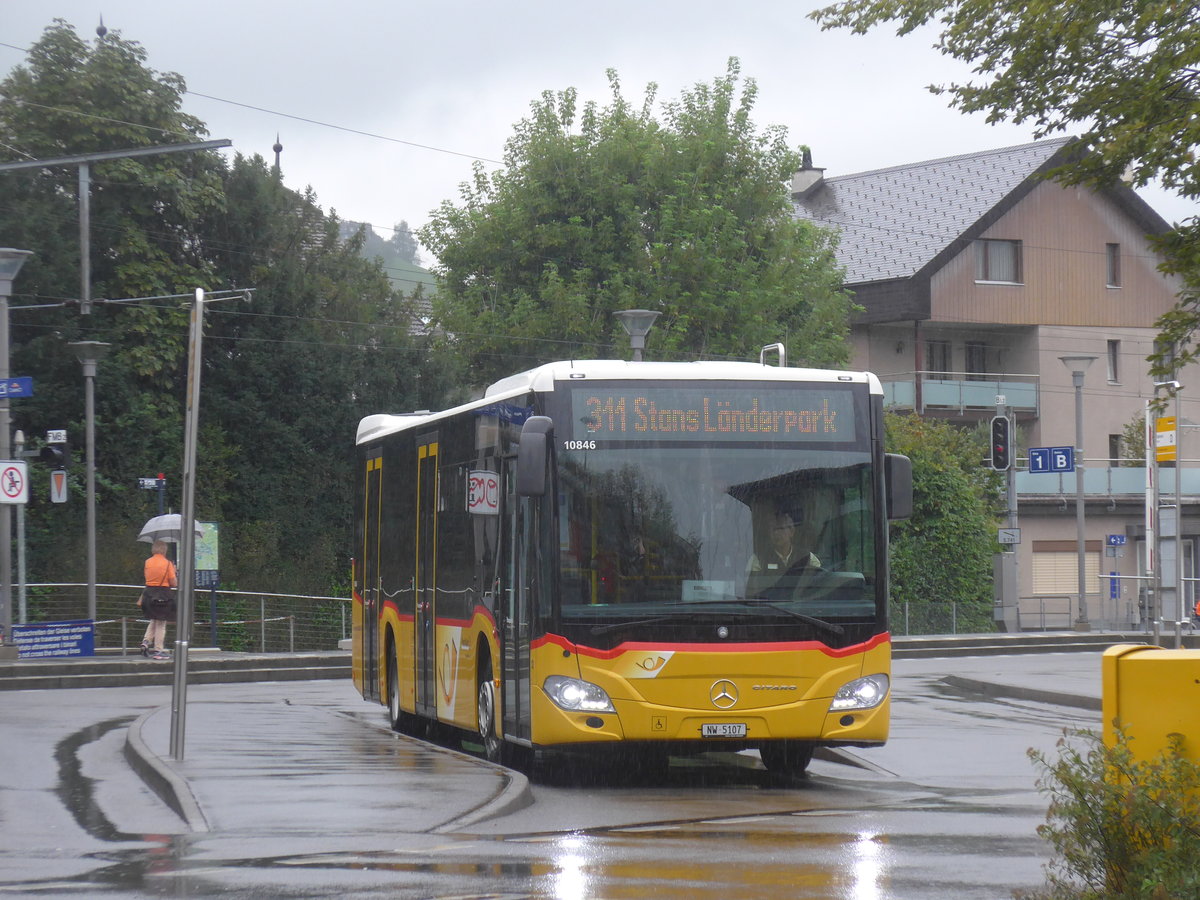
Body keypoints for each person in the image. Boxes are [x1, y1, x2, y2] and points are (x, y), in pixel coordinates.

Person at [745, 509, 821, 597]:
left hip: (799, 604)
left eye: (781, 528)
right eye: (773, 529)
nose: (776, 533)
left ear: (791, 532)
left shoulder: (808, 558)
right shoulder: (758, 559)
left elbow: (818, 588)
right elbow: (751, 592)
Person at [139, 539, 177, 660]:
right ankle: (158, 650)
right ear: (164, 550)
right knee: (161, 623)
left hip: (148, 595)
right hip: (163, 595)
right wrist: (174, 571)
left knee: (154, 619)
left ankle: (146, 642)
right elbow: (174, 583)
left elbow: (148, 578)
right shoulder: (167, 564)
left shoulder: (147, 562)